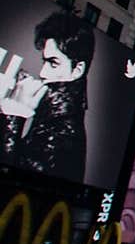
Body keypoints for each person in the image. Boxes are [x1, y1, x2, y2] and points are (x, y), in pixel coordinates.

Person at [0, 10, 95, 182]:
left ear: (77, 70)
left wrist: (13, 115)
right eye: (44, 61)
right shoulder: (54, 118)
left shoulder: (63, 133)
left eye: (53, 63)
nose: (43, 73)